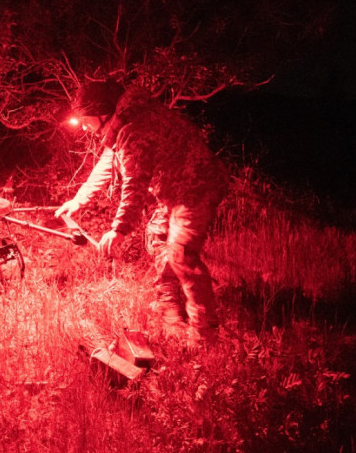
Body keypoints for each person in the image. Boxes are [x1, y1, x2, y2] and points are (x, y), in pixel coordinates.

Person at [55, 79, 228, 344]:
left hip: (197, 187)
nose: (86, 127)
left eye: (86, 120)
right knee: (158, 239)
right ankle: (170, 308)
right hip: (175, 189)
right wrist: (79, 200)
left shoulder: (135, 129)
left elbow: (134, 183)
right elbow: (108, 162)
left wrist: (119, 230)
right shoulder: (125, 124)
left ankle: (204, 335)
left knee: (181, 252)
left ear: (102, 112)